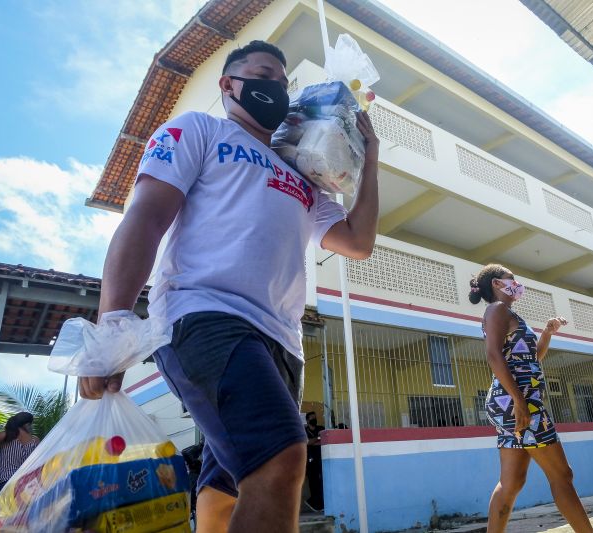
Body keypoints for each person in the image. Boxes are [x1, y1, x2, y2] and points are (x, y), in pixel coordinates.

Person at [78, 40, 379, 533]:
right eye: (263, 75)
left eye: (283, 84)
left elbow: (358, 241)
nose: (275, 89)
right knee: (280, 459)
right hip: (203, 314)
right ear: (229, 85)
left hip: (282, 339)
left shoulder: (301, 175)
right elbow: (147, 216)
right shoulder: (199, 129)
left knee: (229, 482)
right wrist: (111, 322)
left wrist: (372, 159)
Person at [469, 264, 593, 533]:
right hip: (520, 403)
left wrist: (547, 333)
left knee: (511, 484)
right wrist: (520, 400)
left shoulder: (508, 313)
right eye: (510, 279)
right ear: (496, 285)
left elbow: (530, 358)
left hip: (512, 402)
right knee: (562, 475)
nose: (516, 283)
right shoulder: (497, 310)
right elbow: (493, 355)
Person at [0, 412, 39, 513]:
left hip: (7, 484)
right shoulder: (34, 441)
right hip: (25, 485)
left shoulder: (6, 436)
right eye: (30, 424)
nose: (31, 426)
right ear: (25, 425)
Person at [303, 411, 325, 512]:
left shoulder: (320, 428)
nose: (314, 419)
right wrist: (318, 439)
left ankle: (320, 505)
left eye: (315, 417)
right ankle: (314, 503)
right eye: (312, 418)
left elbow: (324, 441)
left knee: (322, 482)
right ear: (307, 420)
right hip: (310, 460)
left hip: (321, 458)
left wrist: (314, 441)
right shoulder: (304, 430)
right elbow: (306, 442)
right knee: (313, 482)